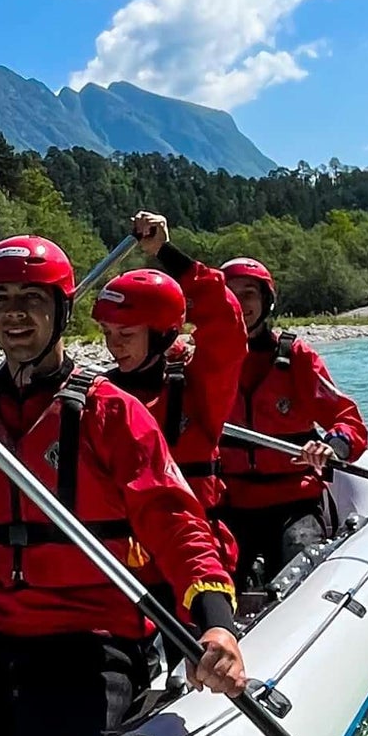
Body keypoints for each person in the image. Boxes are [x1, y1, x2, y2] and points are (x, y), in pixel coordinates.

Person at [0, 234, 245, 736]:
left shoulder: (113, 412)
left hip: (91, 649)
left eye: (31, 298)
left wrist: (216, 626)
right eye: (1, 299)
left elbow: (177, 526)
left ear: (60, 309)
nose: (15, 314)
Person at [91, 210, 245, 548]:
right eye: (107, 332)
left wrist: (167, 253)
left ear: (162, 334)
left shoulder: (198, 387)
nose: (113, 345)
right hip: (122, 561)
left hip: (194, 549)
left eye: (127, 333)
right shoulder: (98, 395)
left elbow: (226, 321)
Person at [218, 256, 368, 590]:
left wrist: (332, 446)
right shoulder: (206, 362)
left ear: (266, 301)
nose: (240, 304)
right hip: (231, 503)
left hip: (293, 502)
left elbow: (348, 420)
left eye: (249, 294)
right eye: (231, 294)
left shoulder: (296, 358)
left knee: (299, 551)